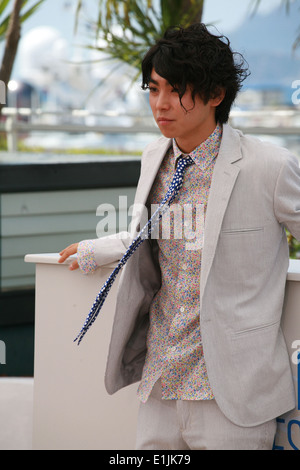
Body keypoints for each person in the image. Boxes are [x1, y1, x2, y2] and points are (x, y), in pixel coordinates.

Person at [59, 23, 300, 450]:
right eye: (154, 89)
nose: (161, 104)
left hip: (233, 391)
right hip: (160, 381)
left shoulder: (270, 166)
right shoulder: (154, 156)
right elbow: (155, 230)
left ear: (215, 94)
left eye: (176, 90)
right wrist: (97, 248)